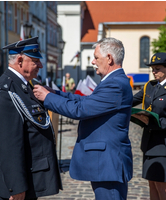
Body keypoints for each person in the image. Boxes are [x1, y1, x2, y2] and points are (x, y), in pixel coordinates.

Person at [33, 37, 133, 200]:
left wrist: (47, 98)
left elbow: (80, 110)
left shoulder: (115, 84)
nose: (93, 62)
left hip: (108, 164)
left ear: (109, 58)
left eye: (96, 57)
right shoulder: (114, 81)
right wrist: (55, 93)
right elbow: (86, 101)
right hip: (105, 163)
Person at [0, 37, 62, 200]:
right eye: (36, 61)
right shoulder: (6, 90)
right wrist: (16, 186)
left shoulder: (25, 86)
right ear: (20, 60)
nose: (40, 65)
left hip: (29, 177)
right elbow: (7, 143)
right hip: (13, 188)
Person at [132, 52, 166, 200]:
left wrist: (152, 122)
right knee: (152, 184)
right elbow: (131, 100)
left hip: (164, 145)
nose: (154, 72)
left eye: (157, 68)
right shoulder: (150, 86)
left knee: (162, 186)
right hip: (149, 143)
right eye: (152, 69)